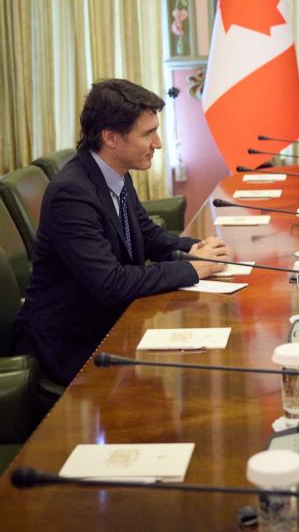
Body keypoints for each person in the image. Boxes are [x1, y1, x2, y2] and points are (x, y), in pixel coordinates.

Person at [12, 79, 229, 384]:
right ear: (111, 137)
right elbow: (111, 283)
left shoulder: (114, 173)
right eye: (147, 134)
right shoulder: (71, 194)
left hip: (113, 323)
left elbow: (147, 235)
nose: (158, 143)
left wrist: (195, 248)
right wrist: (192, 269)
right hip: (74, 345)